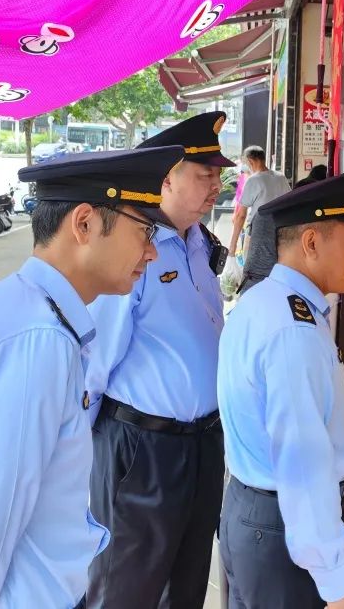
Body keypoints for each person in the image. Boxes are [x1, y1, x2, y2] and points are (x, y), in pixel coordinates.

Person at [0, 144, 185, 609]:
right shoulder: (36, 342)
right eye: (144, 231)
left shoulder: (20, 309)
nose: (151, 252)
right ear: (83, 224)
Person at [86, 111, 235, 609]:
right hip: (142, 450)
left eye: (218, 176)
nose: (216, 186)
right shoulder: (135, 245)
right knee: (125, 587)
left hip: (203, 445)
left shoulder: (198, 243)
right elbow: (95, 361)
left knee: (187, 584)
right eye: (205, 174)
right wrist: (80, 454)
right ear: (167, 178)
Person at [217, 167, 344, 609]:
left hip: (254, 515)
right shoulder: (294, 331)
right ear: (311, 243)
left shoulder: (263, 300)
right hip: (283, 531)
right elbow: (302, 465)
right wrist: (337, 580)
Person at [237, 174, 324, 296]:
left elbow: (248, 242)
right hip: (270, 287)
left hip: (249, 282)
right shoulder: (292, 220)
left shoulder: (264, 212)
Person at [227, 145, 290, 258]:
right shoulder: (281, 177)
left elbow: (241, 215)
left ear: (250, 161)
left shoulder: (253, 180)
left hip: (257, 234)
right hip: (279, 233)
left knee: (252, 267)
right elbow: (289, 204)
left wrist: (233, 244)